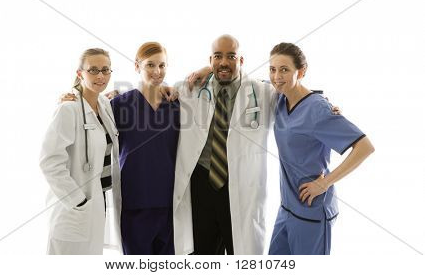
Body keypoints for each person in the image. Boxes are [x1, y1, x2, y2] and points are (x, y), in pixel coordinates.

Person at [172, 34, 277, 255]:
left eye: (231, 56)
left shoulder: (263, 93)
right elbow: (157, 94)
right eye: (218, 56)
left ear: (241, 61)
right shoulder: (192, 88)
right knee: (204, 254)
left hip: (239, 183)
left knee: (242, 254)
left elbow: (294, 96)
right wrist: (112, 96)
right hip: (201, 184)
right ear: (210, 60)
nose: (224, 62)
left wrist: (324, 104)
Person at [267, 42, 375, 255]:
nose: (276, 76)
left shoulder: (318, 109)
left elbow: (365, 147)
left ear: (302, 71)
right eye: (272, 69)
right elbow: (243, 82)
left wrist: (325, 183)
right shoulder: (280, 97)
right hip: (286, 210)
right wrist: (207, 70)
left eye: (284, 69)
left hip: (312, 214)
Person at [39, 48, 122, 254]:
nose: (100, 75)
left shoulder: (104, 104)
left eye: (105, 70)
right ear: (80, 73)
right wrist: (78, 200)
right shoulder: (68, 109)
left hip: (98, 201)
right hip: (75, 207)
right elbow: (49, 161)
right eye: (93, 70)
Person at [110, 42, 180, 254]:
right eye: (150, 65)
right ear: (137, 66)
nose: (157, 72)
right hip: (134, 202)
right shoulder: (119, 105)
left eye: (162, 65)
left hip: (170, 204)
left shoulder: (176, 104)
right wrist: (71, 98)